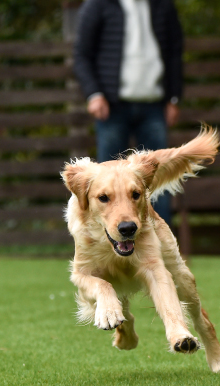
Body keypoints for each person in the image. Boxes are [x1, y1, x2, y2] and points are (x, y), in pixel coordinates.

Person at [73, 0, 183, 226]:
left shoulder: (163, 6)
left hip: (154, 105)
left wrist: (173, 98)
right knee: (107, 186)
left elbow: (174, 53)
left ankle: (160, 244)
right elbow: (82, 55)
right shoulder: (97, 5)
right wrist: (94, 94)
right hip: (112, 108)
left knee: (158, 181)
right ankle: (111, 247)